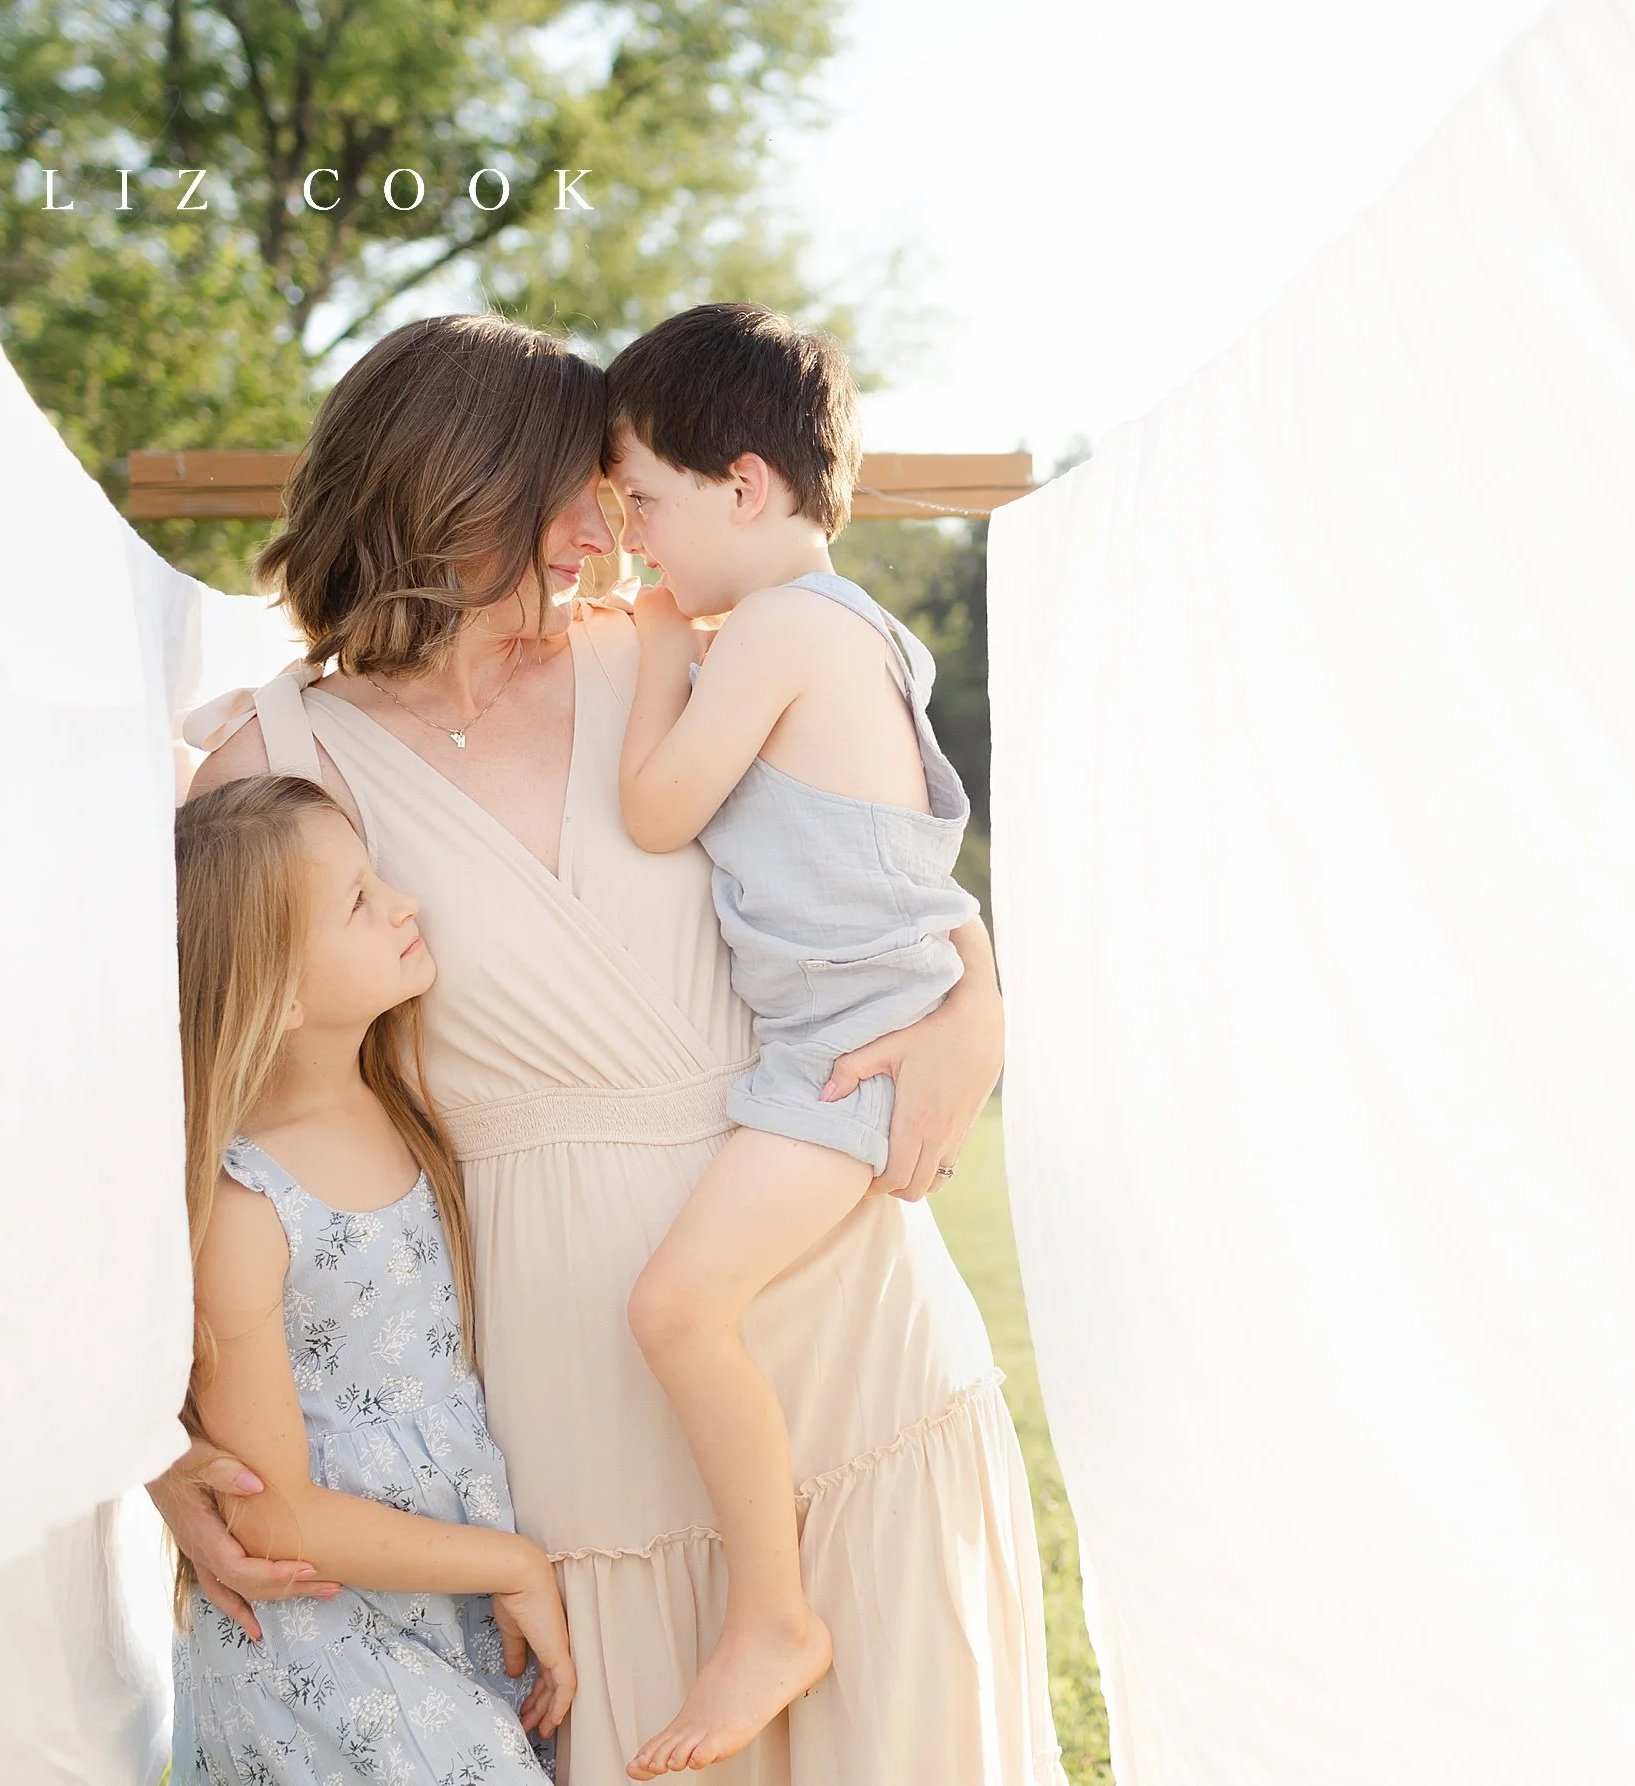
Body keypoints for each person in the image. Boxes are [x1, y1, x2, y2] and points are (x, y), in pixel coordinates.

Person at [154, 311, 1066, 1785]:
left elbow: (871, 851)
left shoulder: (675, 657)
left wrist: (978, 996)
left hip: (834, 1300)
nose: (602, 531)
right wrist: (169, 1444)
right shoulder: (273, 766)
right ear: (453, 492)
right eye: (572, 492)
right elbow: (181, 1127)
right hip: (569, 1363)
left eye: (614, 490)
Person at [603, 304, 981, 1777]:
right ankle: (771, 1607)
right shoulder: (860, 627)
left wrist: (650, 646)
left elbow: (654, 808)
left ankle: (773, 1612)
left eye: (644, 505)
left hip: (849, 1051)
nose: (637, 545)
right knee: (694, 1307)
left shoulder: (768, 630)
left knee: (676, 1307)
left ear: (743, 487)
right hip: (860, 1025)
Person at [169, 774, 575, 1783]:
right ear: (281, 989)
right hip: (323, 1643)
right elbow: (274, 1514)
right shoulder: (247, 1206)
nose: (405, 901)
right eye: (359, 899)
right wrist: (513, 1563)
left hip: (433, 1608)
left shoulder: (399, 1098)